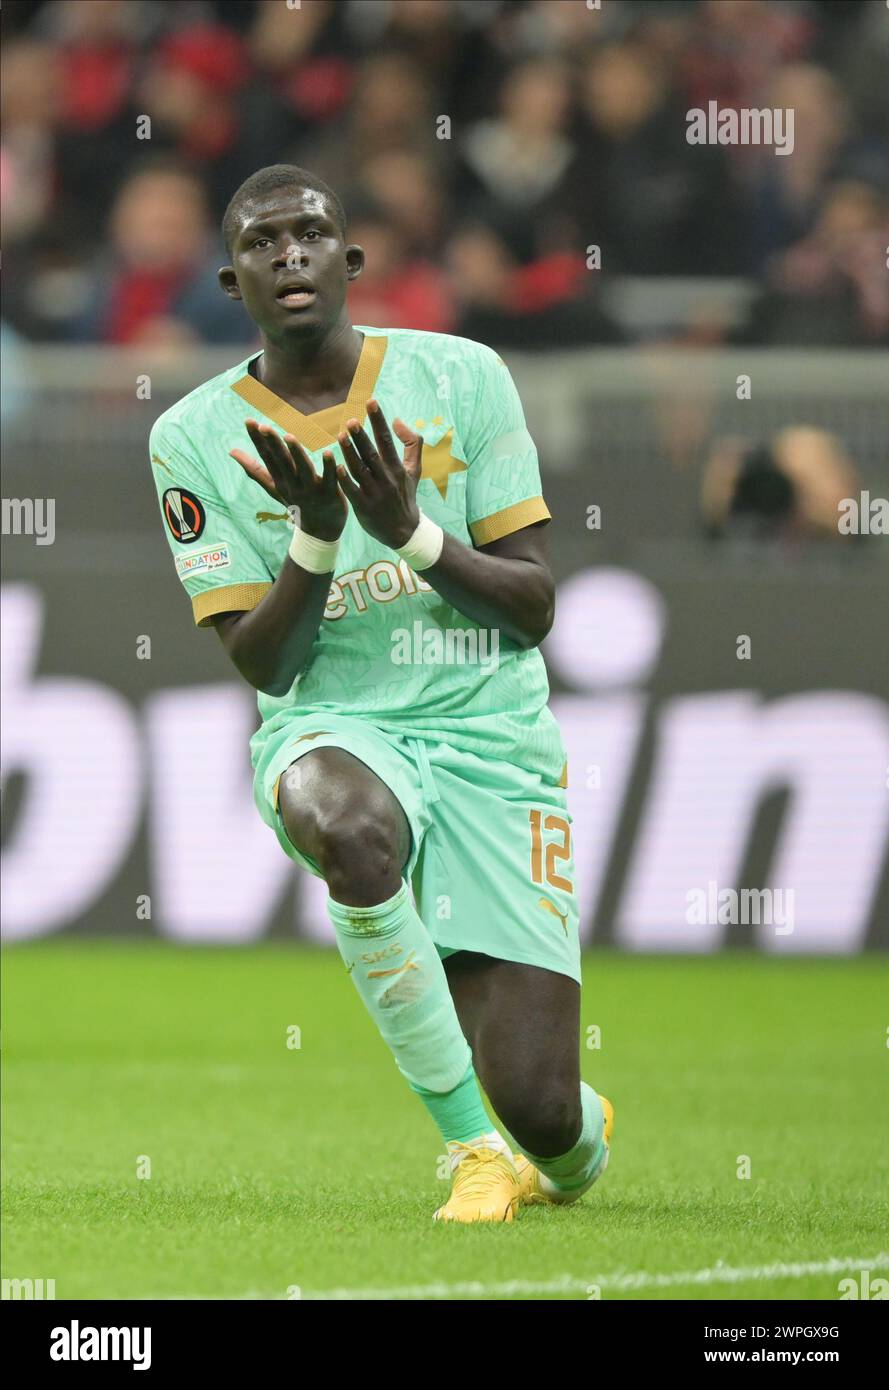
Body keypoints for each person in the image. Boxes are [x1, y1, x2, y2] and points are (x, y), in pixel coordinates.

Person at [148, 163, 613, 1222]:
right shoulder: (188, 437)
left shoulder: (463, 376)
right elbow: (265, 666)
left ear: (351, 261)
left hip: (489, 734)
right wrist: (314, 535)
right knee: (346, 827)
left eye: (310, 234)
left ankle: (547, 1138)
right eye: (263, 244)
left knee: (547, 1117)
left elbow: (534, 606)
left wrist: (410, 531)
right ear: (232, 282)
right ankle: (468, 1151)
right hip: (335, 722)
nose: (290, 255)